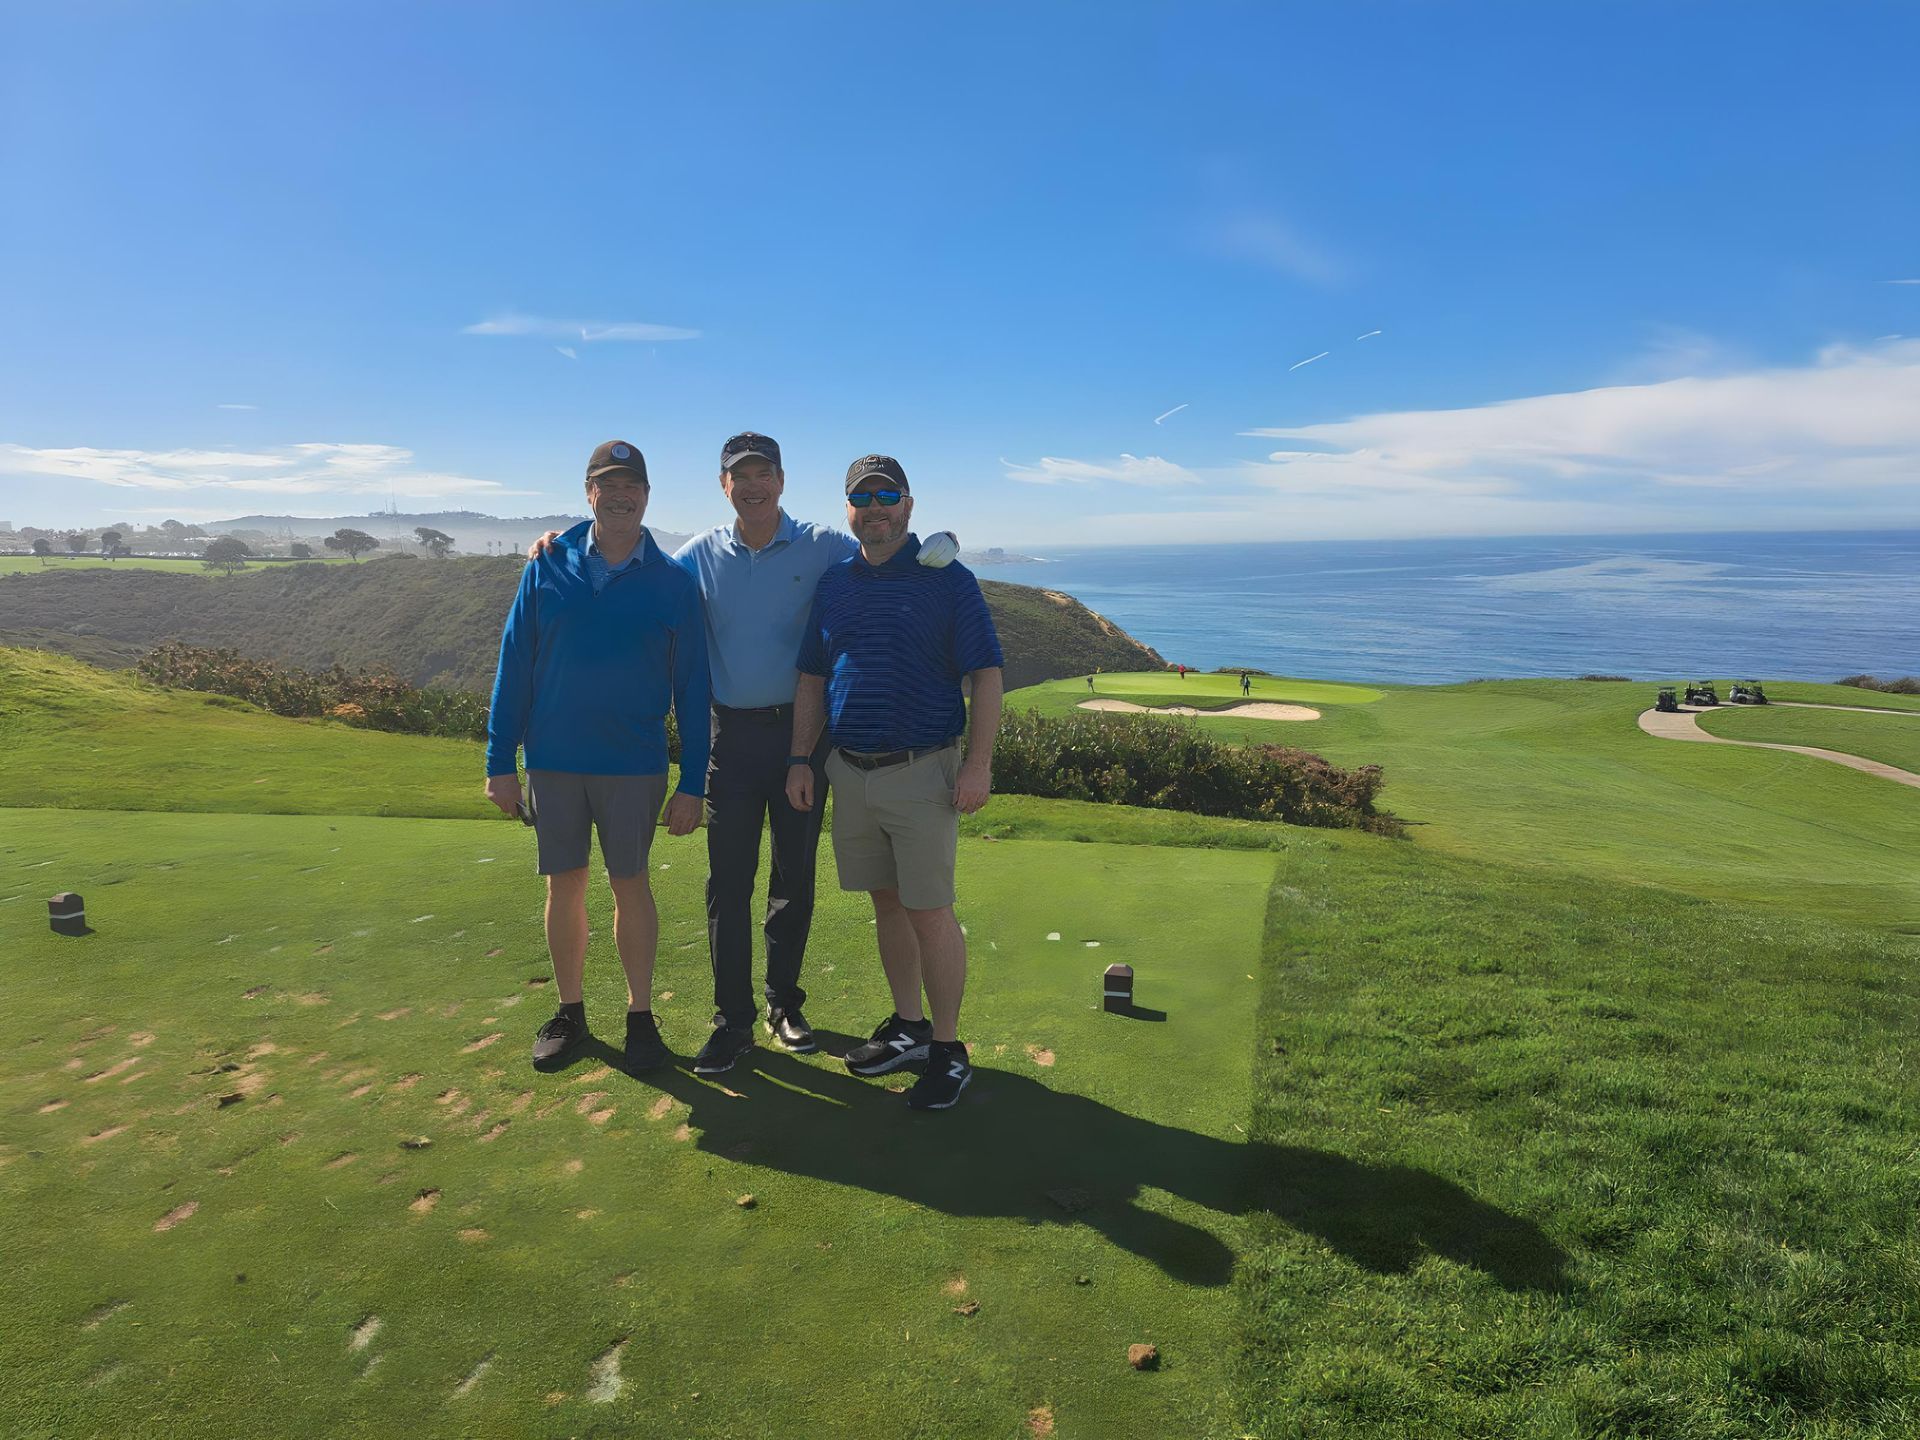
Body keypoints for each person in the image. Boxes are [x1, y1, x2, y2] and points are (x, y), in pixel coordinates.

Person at [531, 434, 958, 1077]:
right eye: (740, 477)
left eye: (764, 474)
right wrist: (560, 541)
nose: (753, 486)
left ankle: (783, 1005)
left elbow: (884, 543)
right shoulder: (699, 555)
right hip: (729, 733)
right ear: (723, 486)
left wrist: (936, 550)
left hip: (805, 740)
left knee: (794, 881)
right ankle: (731, 1021)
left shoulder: (822, 544)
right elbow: (626, 554)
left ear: (782, 480)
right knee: (727, 885)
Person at [786, 455, 1004, 1111]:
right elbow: (813, 679)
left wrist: (978, 765)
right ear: (848, 509)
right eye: (862, 496)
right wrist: (801, 757)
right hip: (850, 772)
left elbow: (987, 674)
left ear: (908, 506)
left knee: (930, 912)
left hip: (922, 771)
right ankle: (909, 1027)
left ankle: (947, 1050)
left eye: (887, 495)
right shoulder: (835, 586)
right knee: (887, 903)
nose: (875, 506)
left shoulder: (948, 581)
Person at [485, 440, 709, 1074]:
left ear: (646, 494)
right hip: (554, 760)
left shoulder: (674, 583)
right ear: (589, 493)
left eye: (631, 484)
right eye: (606, 483)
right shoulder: (547, 565)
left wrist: (693, 781)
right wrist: (499, 762)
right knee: (565, 887)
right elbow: (514, 666)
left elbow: (694, 689)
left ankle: (640, 1017)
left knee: (629, 886)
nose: (619, 493)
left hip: (634, 765)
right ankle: (571, 1013)